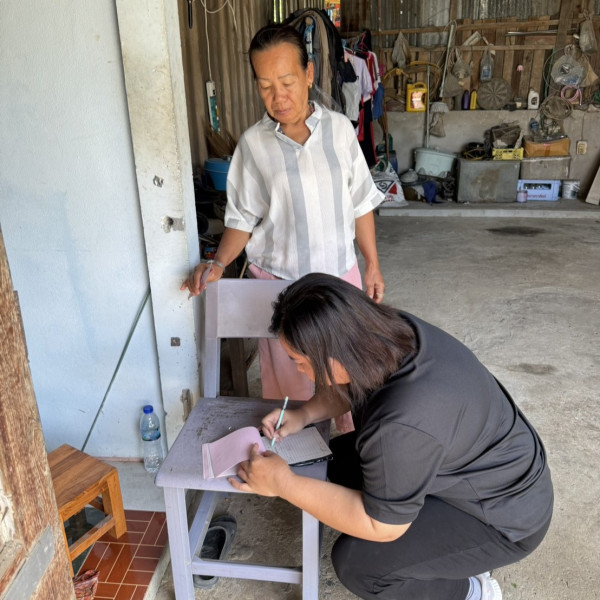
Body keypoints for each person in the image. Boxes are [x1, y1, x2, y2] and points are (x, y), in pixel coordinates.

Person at [229, 273, 554, 600]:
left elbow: (382, 527)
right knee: (330, 463)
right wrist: (304, 415)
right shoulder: (387, 331)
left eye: (299, 362)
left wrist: (282, 484)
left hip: (501, 519)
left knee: (359, 564)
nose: (299, 370)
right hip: (480, 468)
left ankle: (471, 590)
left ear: (334, 357)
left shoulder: (399, 423)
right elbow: (350, 383)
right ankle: (444, 556)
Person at [181, 25, 384, 429]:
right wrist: (219, 263)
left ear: (309, 74)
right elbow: (241, 218)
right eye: (266, 86)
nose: (279, 97)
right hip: (280, 290)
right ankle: (293, 460)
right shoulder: (253, 145)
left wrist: (372, 265)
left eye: (287, 82)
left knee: (346, 383)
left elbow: (361, 202)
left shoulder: (340, 131)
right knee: (289, 393)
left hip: (338, 284)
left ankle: (350, 457)